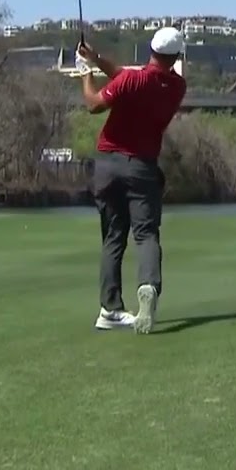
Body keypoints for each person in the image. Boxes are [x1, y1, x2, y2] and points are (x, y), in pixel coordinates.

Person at [76, 27, 188, 334]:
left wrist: (85, 73)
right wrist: (96, 58)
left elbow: (93, 104)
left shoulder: (130, 81)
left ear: (149, 48)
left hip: (108, 166)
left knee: (113, 237)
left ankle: (109, 309)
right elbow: (124, 77)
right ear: (176, 57)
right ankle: (148, 286)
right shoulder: (177, 86)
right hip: (142, 168)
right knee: (146, 234)